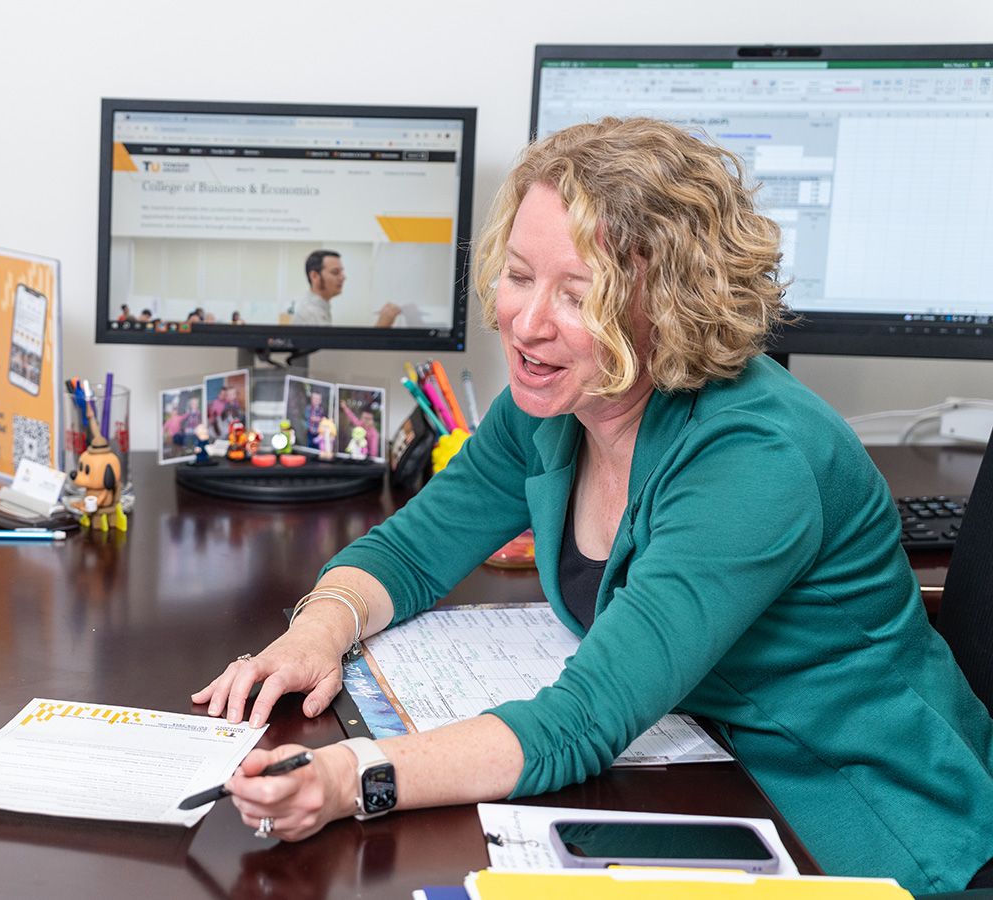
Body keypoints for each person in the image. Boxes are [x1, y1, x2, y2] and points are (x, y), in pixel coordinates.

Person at [192, 117, 993, 895]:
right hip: (702, 773)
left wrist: (348, 777)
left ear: (672, 305)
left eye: (578, 295)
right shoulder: (558, 402)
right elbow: (410, 552)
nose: (526, 322)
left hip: (856, 821)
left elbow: (584, 720)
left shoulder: (755, 456)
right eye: (518, 275)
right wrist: (318, 630)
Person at [289, 249, 401, 328]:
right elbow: (329, 353)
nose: (343, 277)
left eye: (342, 271)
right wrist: (380, 327)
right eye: (335, 272)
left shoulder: (320, 308)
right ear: (314, 276)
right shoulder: (310, 315)